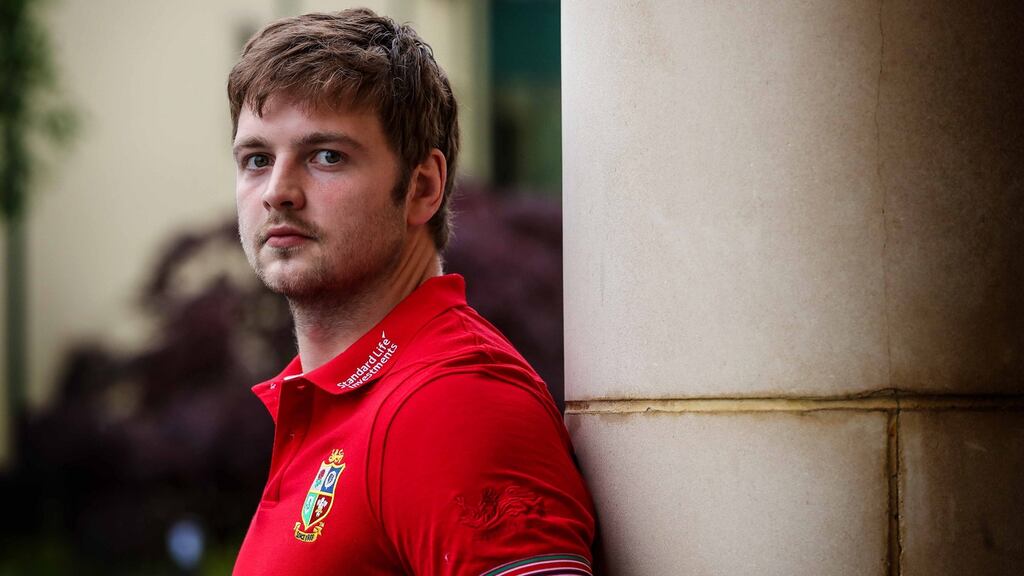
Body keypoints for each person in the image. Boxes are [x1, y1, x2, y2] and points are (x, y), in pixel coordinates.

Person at [227, 8, 596, 575]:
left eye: (326, 156)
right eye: (256, 159)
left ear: (423, 186)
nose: (278, 191)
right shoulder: (352, 395)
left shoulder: (454, 403)